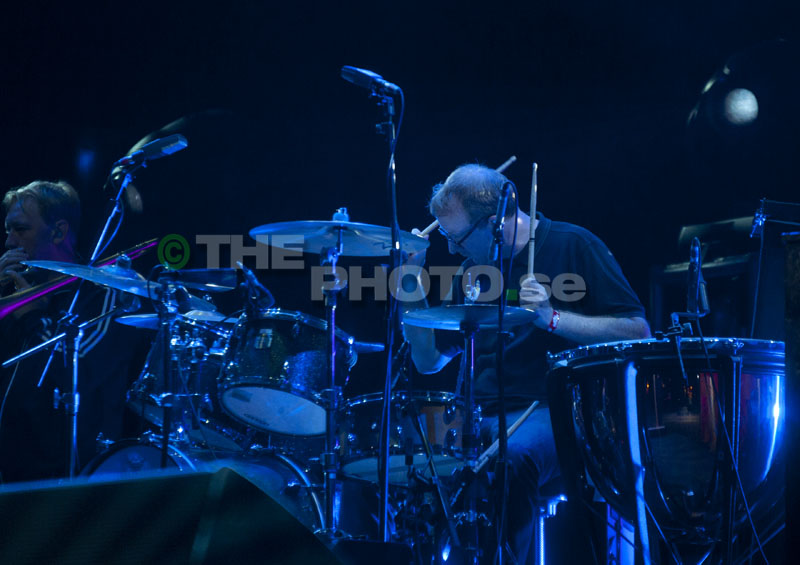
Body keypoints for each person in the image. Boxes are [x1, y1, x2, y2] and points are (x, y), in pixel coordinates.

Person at [402, 164, 651, 563]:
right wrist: (408, 278)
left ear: (495, 222)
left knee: (511, 456)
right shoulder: (471, 272)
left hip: (553, 410)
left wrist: (553, 319)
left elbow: (637, 332)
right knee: (408, 459)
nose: (452, 250)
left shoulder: (574, 246)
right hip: (479, 412)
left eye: (457, 238)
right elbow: (428, 360)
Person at [0, 180, 144, 483]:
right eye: (7, 230)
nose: (10, 242)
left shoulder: (102, 295)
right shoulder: (12, 289)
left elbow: (78, 374)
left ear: (58, 232)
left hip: (65, 478)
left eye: (21, 229)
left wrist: (32, 317)